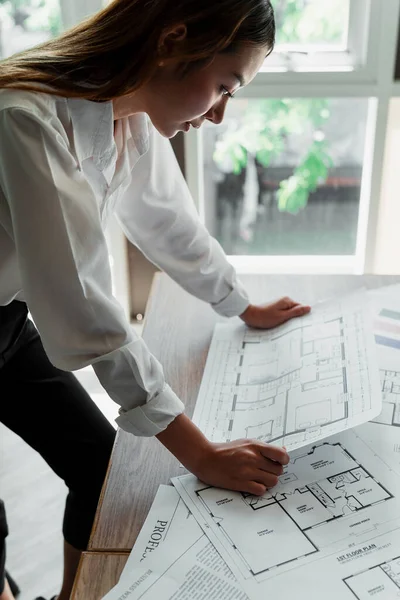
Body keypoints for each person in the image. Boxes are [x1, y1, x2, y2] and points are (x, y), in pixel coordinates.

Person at [0, 0, 311, 598]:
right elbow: (85, 307)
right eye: (223, 87)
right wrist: (201, 454)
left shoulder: (130, 117)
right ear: (173, 40)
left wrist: (242, 304)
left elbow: (172, 225)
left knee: (99, 467)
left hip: (7, 323)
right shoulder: (27, 120)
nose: (219, 115)